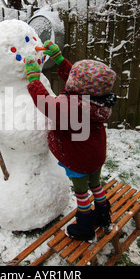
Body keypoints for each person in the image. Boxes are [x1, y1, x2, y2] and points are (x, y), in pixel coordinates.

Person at [25, 40, 117, 241]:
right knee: (96, 185)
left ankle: (85, 228)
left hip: (78, 158)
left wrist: (33, 79)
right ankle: (104, 216)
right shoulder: (97, 100)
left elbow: (46, 103)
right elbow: (78, 81)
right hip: (96, 155)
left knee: (82, 193)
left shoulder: (71, 107)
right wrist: (59, 60)